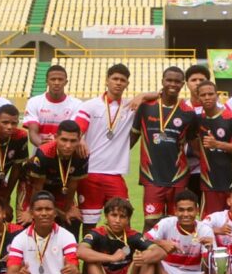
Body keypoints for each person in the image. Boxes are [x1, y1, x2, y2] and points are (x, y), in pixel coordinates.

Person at [132, 66, 198, 231]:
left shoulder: (188, 113)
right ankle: (147, 249)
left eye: (177, 81)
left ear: (182, 84)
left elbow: (194, 144)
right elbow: (131, 139)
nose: (173, 84)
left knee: (179, 222)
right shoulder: (145, 107)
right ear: (162, 81)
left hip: (178, 175)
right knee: (151, 222)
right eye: (169, 80)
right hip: (151, 174)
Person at [75, 64, 137, 230]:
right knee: (89, 224)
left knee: (124, 221)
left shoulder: (130, 106)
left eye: (122, 80)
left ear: (127, 84)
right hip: (89, 173)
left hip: (114, 174)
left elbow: (158, 96)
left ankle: (121, 249)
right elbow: (77, 128)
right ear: (107, 80)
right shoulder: (90, 105)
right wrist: (79, 138)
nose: (118, 83)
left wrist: (142, 96)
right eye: (115, 79)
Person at [78, 197, 165, 274]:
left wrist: (144, 257)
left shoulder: (133, 235)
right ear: (106, 216)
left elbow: (160, 252)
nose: (117, 220)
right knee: (91, 261)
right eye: (114, 215)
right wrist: (111, 258)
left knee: (149, 256)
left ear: (128, 219)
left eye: (122, 216)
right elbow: (81, 251)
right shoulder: (96, 233)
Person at [144, 190, 218, 274]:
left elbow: (208, 269)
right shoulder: (166, 223)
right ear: (175, 210)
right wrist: (162, 243)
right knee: (151, 255)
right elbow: (144, 239)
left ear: (197, 210)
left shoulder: (205, 230)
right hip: (165, 272)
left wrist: (209, 250)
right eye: (181, 210)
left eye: (190, 210)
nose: (185, 214)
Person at [193, 80, 232, 215]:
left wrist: (217, 144)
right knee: (209, 222)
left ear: (217, 95)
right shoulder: (197, 120)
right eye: (203, 95)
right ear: (198, 98)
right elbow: (193, 144)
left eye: (210, 94)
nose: (207, 97)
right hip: (210, 181)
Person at [22, 120, 88, 234]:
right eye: (64, 140)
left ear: (79, 140)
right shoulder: (44, 153)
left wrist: (67, 211)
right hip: (32, 187)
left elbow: (73, 186)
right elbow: (38, 188)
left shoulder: (82, 154)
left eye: (73, 141)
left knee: (72, 219)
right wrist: (32, 210)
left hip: (60, 188)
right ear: (56, 137)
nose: (68, 145)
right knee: (28, 220)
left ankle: (71, 245)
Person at [23, 64, 83, 147]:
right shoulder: (34, 102)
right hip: (41, 151)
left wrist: (55, 145)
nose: (56, 83)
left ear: (66, 82)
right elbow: (33, 132)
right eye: (53, 79)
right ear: (47, 81)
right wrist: (43, 146)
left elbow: (73, 133)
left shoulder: (77, 104)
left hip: (66, 150)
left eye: (60, 79)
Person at [183, 63, 211, 199]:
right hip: (183, 170)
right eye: (193, 80)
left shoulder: (221, 109)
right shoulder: (180, 108)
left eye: (202, 80)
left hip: (210, 169)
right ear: (187, 83)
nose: (198, 83)